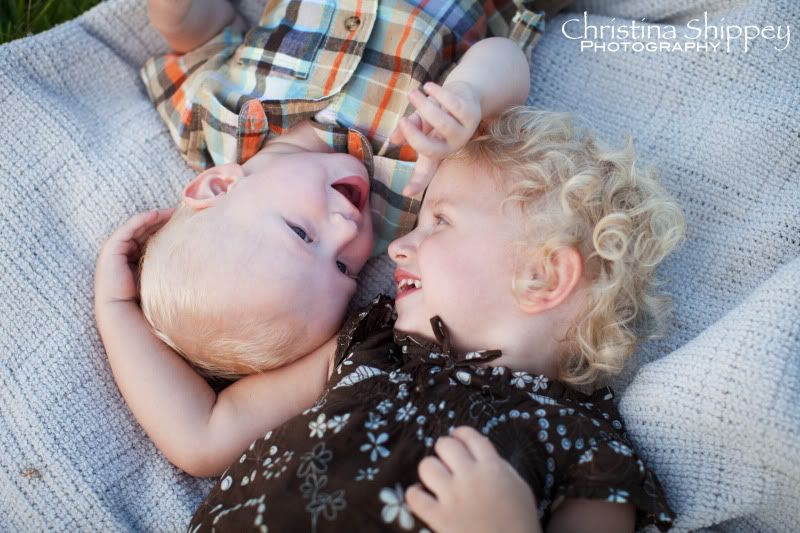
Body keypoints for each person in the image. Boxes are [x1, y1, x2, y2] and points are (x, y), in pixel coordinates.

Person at [95, 107, 684, 531]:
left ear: (542, 277)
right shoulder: (370, 343)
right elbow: (203, 434)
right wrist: (118, 311)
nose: (398, 247)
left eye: (440, 223)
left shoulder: (590, 451)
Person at [134, 0, 549, 380]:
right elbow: (507, 59)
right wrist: (469, 95)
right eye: (343, 268)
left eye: (302, 234)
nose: (346, 231)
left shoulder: (214, 124)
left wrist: (174, 12)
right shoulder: (411, 193)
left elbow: (202, 33)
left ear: (218, 186)